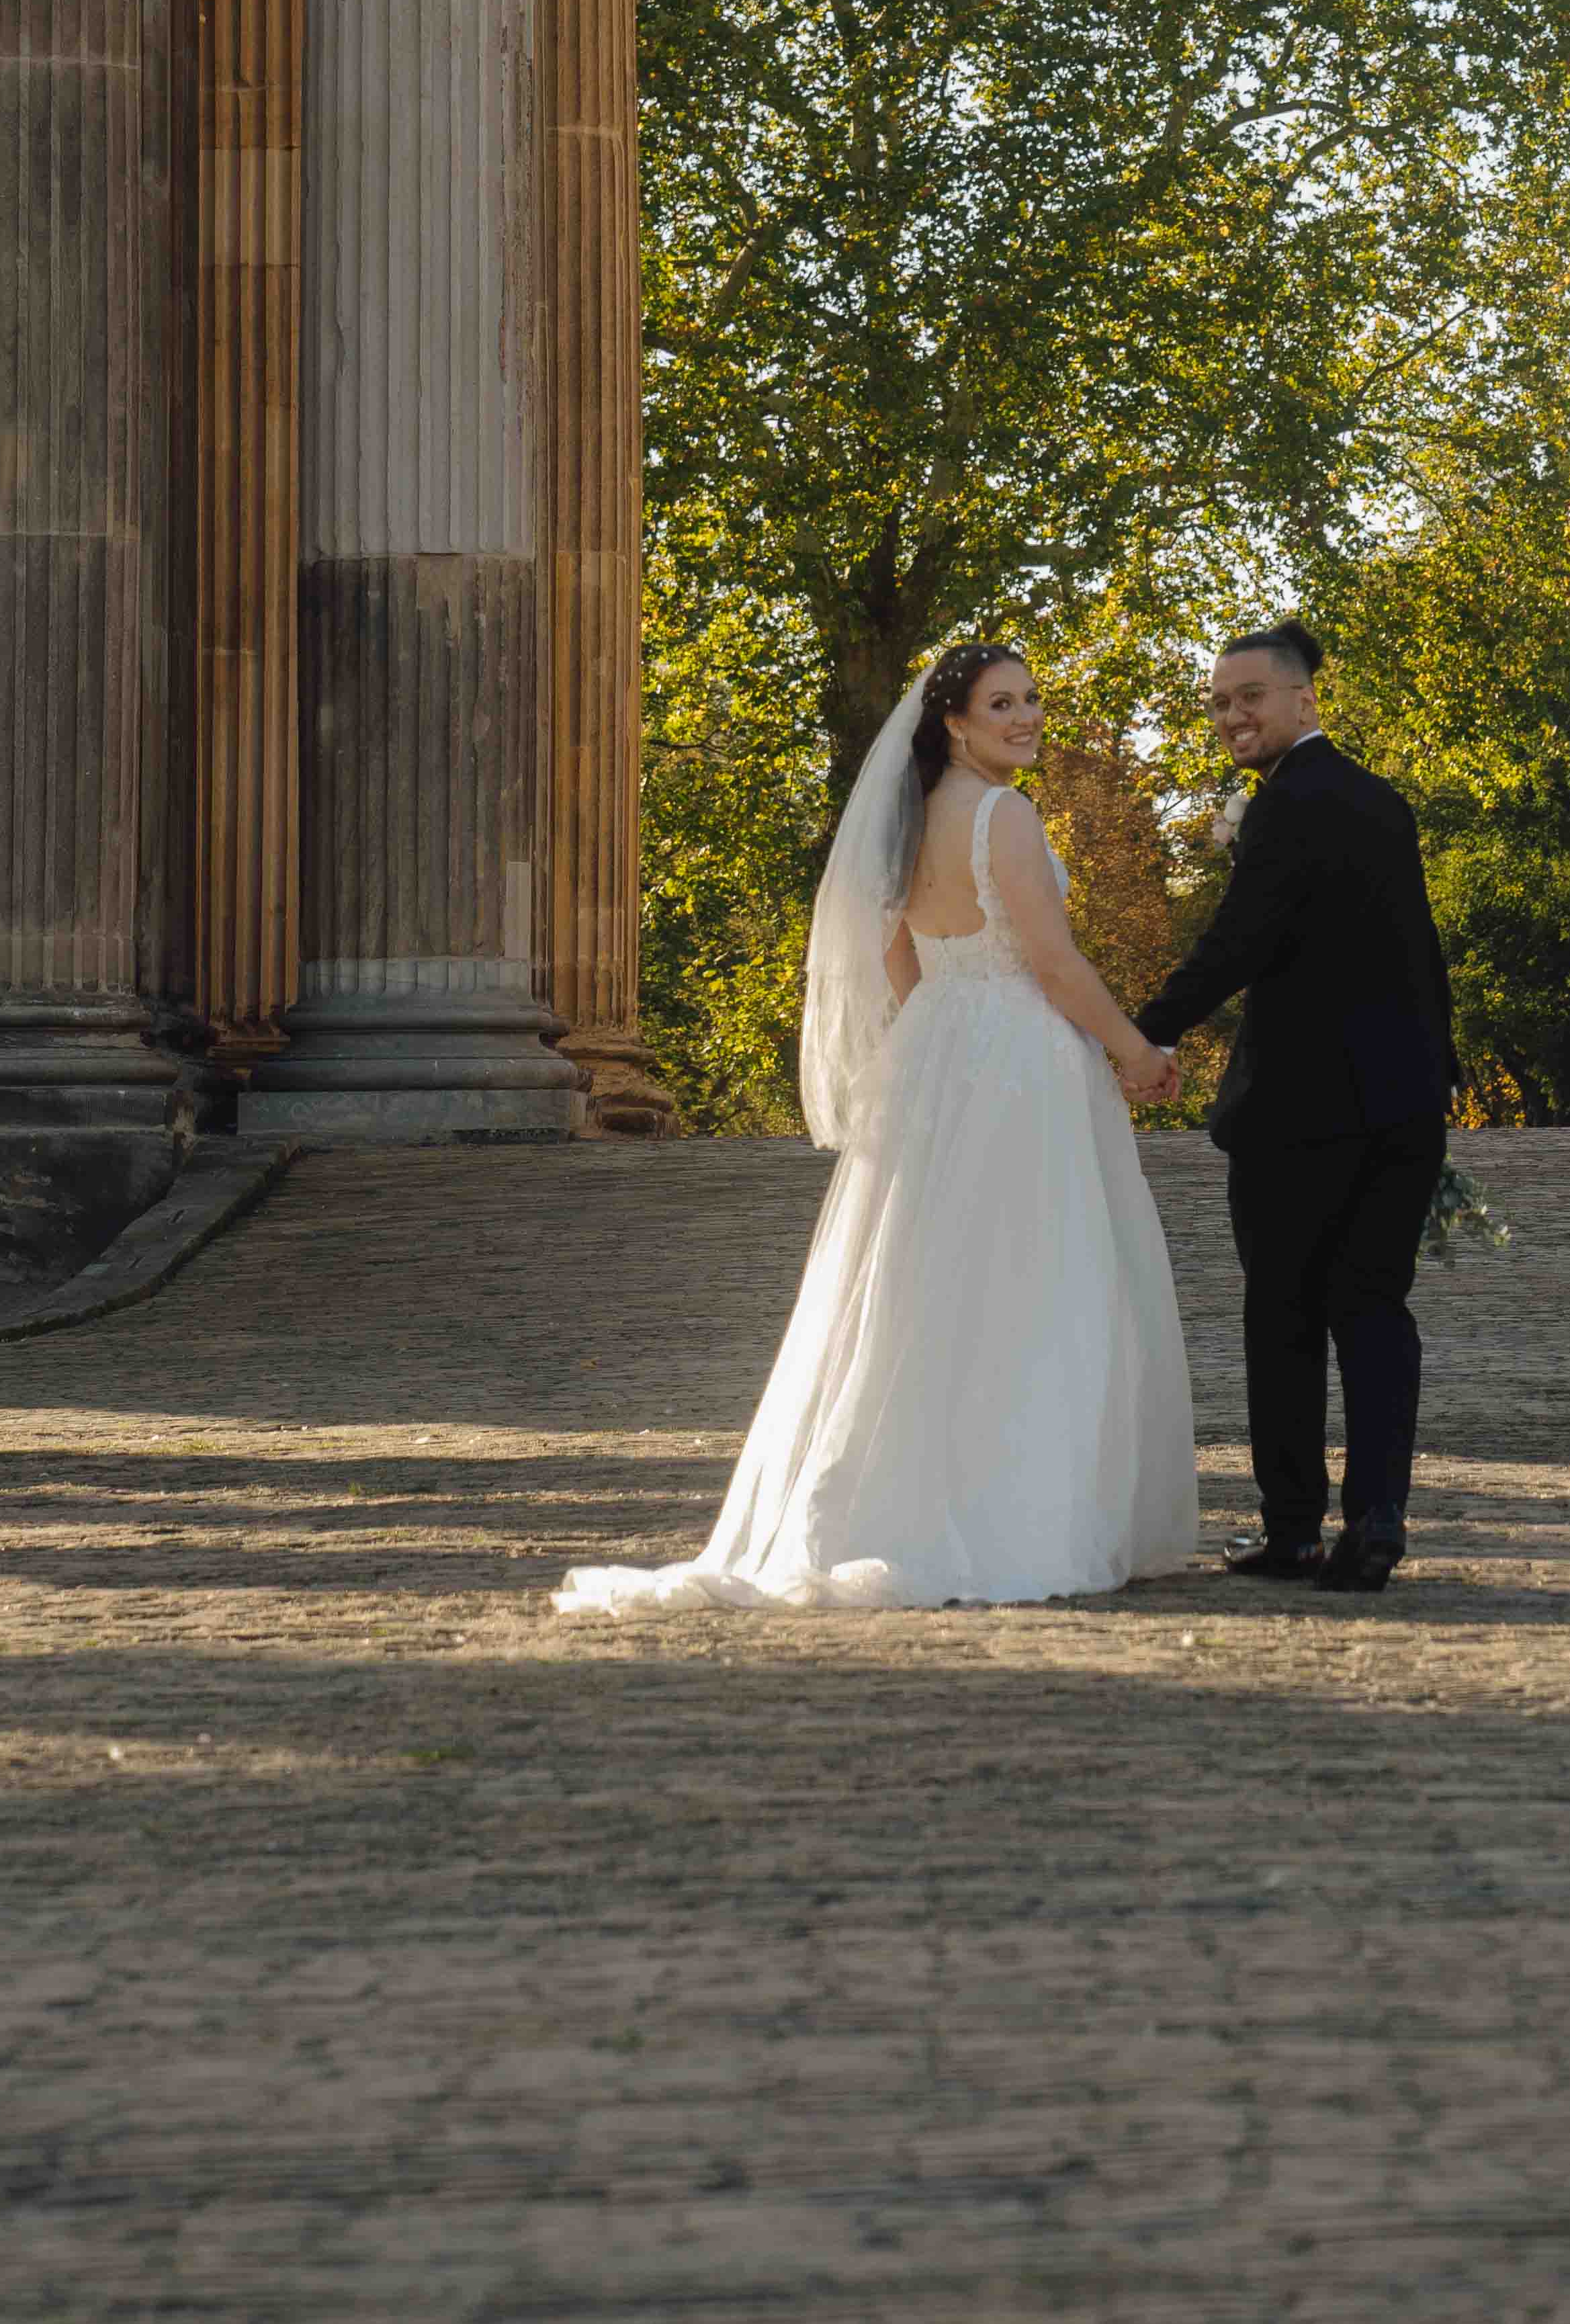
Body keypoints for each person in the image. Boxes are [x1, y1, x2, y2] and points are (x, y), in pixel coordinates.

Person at [556, 637, 1195, 1617]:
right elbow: (1055, 964)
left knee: (922, 1279)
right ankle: (1024, 1515)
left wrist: (944, 1032)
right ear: (954, 722)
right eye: (1001, 704)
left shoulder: (908, 820)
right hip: (1019, 1055)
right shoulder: (1004, 816)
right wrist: (1137, 1052)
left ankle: (907, 1497)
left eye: (1031, 699)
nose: (1026, 717)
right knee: (1031, 1268)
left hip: (939, 1047)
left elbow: (897, 957)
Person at [1139, 616, 1456, 1599]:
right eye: (1218, 703)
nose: (1231, 715)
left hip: (1301, 1111)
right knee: (1374, 1306)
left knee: (1283, 1317)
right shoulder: (1382, 800)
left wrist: (1143, 1035)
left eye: (1250, 697)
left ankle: (1293, 1532)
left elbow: (1238, 943)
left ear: (1305, 698)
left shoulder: (1285, 806)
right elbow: (1419, 952)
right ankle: (1377, 1520)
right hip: (1404, 1103)